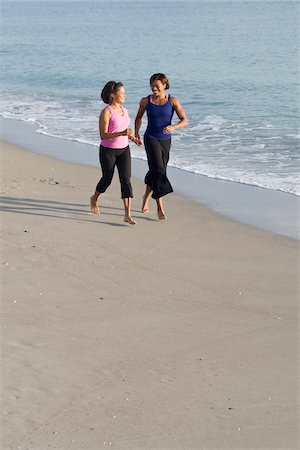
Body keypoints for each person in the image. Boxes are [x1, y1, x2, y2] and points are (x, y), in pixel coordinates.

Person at [134, 73, 188, 219]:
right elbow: (138, 117)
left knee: (157, 171)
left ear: (164, 85)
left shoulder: (172, 101)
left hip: (165, 140)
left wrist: (174, 127)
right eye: (152, 85)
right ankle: (160, 207)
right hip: (150, 138)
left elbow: (185, 120)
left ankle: (145, 197)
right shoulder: (146, 101)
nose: (154, 88)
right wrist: (137, 133)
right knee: (158, 170)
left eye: (157, 86)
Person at [90, 81, 137, 225]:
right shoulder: (106, 112)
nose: (124, 95)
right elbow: (103, 135)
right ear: (112, 95)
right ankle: (95, 198)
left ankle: (127, 214)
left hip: (124, 150)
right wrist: (123, 132)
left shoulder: (125, 110)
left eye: (124, 93)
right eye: (121, 93)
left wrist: (132, 138)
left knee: (126, 180)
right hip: (108, 151)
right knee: (107, 179)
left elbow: (124, 130)